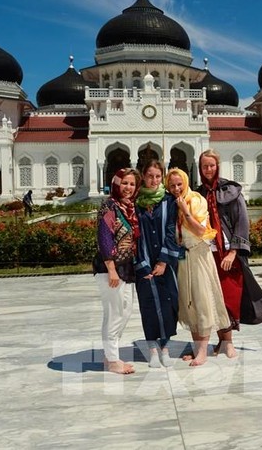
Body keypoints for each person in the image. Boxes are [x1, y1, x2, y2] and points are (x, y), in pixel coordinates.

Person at [197, 149, 262, 358]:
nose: (208, 170)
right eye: (204, 166)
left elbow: (242, 221)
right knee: (213, 298)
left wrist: (234, 251)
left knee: (229, 297)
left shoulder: (231, 191)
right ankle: (221, 340)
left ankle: (228, 342)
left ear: (218, 166)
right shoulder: (198, 194)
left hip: (228, 253)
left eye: (211, 165)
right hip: (208, 253)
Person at [166, 168, 230, 366]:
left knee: (203, 301)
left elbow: (202, 230)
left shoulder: (196, 200)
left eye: (180, 184)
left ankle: (203, 350)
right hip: (184, 258)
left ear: (186, 182)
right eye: (172, 185)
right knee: (189, 302)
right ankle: (197, 349)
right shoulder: (171, 203)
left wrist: (186, 212)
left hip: (199, 254)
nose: (177, 188)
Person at [134, 160, 181, 368]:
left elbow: (171, 231)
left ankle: (166, 349)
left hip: (166, 261)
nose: (154, 180)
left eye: (158, 176)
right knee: (148, 305)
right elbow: (133, 235)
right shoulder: (135, 202)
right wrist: (143, 264)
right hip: (143, 261)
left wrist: (163, 261)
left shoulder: (169, 201)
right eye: (150, 176)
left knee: (168, 303)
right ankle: (152, 349)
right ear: (143, 176)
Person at [94, 168, 140, 375]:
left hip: (127, 267)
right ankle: (112, 360)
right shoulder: (109, 206)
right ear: (116, 183)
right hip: (111, 268)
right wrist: (111, 269)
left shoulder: (130, 208)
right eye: (124, 183)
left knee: (126, 310)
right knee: (114, 313)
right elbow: (104, 238)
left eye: (132, 184)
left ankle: (109, 354)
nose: (128, 188)